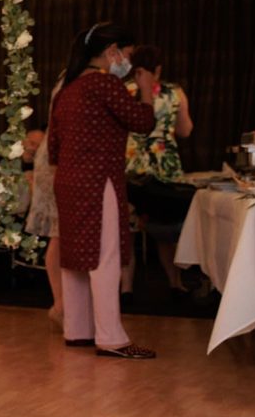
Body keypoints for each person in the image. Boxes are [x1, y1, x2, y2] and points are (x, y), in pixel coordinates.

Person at [48, 22, 158, 360]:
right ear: (111, 52)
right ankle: (111, 338)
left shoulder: (67, 89)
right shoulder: (104, 83)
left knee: (76, 258)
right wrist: (145, 89)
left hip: (68, 180)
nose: (126, 61)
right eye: (125, 54)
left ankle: (78, 330)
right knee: (105, 257)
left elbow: (53, 145)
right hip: (99, 181)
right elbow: (142, 122)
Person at [124, 46, 196, 293]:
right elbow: (185, 130)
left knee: (128, 228)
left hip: (131, 163)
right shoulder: (174, 93)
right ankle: (175, 283)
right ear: (158, 69)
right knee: (167, 226)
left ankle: (126, 288)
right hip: (165, 163)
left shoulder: (124, 91)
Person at [26, 81, 66, 327]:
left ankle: (63, 304)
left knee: (60, 233)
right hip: (57, 156)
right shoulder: (70, 81)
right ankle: (61, 304)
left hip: (59, 152)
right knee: (59, 231)